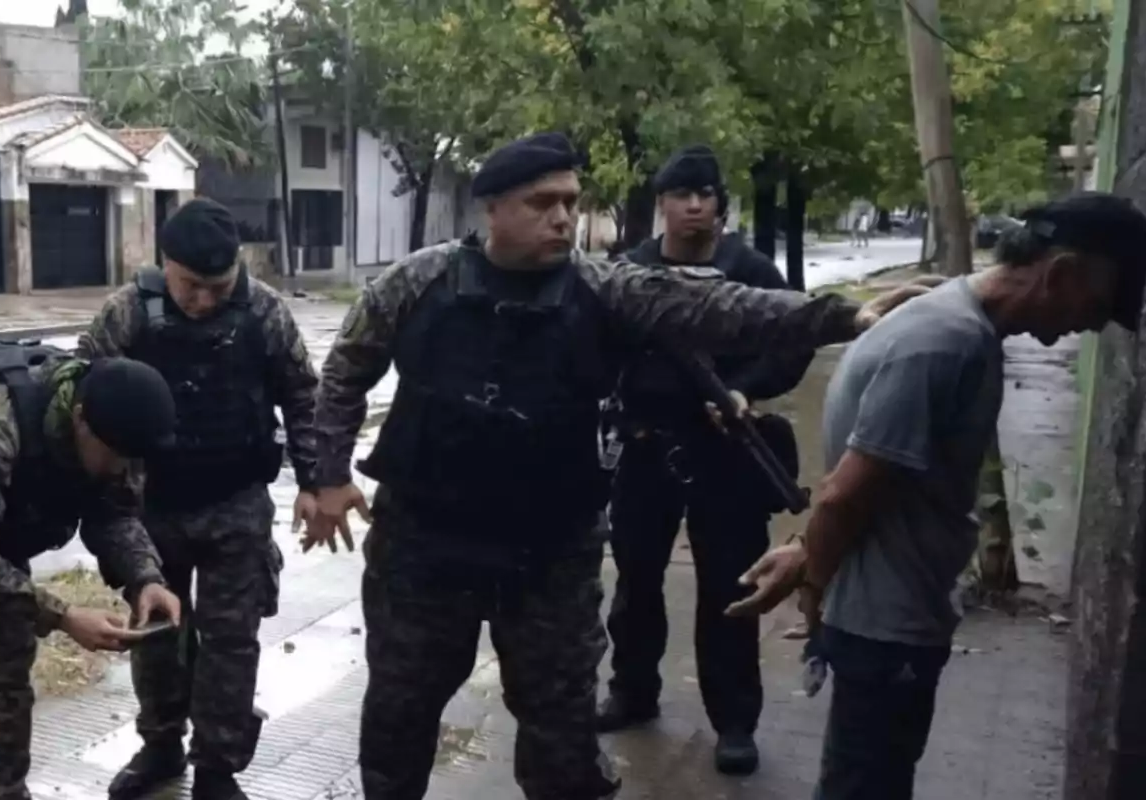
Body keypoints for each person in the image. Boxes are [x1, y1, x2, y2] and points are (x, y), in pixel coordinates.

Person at [301, 131, 932, 800]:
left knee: (561, 739)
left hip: (549, 555)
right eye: (541, 203)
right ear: (491, 209)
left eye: (570, 202)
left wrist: (844, 316)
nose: (563, 218)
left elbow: (719, 305)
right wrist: (329, 475)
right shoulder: (419, 281)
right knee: (398, 720)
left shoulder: (601, 288)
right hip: (423, 549)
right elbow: (345, 370)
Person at [726, 192, 1146, 800]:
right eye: (1098, 304)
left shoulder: (949, 316)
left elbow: (878, 485)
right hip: (886, 630)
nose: (1090, 324)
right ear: (1060, 273)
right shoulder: (947, 341)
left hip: (891, 616)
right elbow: (845, 494)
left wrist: (802, 553)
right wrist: (815, 588)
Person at [76, 198, 321, 800]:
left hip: (236, 502)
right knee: (157, 633)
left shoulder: (264, 311)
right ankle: (161, 745)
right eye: (192, 286)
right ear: (166, 264)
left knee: (232, 640)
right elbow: (82, 396)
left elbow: (303, 395)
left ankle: (217, 765)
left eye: (219, 286)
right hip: (152, 503)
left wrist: (317, 480)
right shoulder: (129, 313)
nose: (206, 300)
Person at [596, 145, 811, 775]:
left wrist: (748, 388)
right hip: (645, 448)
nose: (696, 206)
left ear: (720, 204)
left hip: (727, 451)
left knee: (730, 587)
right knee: (636, 582)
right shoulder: (630, 271)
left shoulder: (750, 270)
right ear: (661, 204)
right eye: (682, 195)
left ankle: (735, 721)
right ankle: (631, 691)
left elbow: (791, 340)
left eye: (707, 195)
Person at [0, 344, 183, 800]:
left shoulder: (115, 429)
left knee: (0, 696)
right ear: (78, 418)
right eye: (114, 454)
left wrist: (145, 576)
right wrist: (61, 616)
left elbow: (113, 512)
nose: (121, 467)